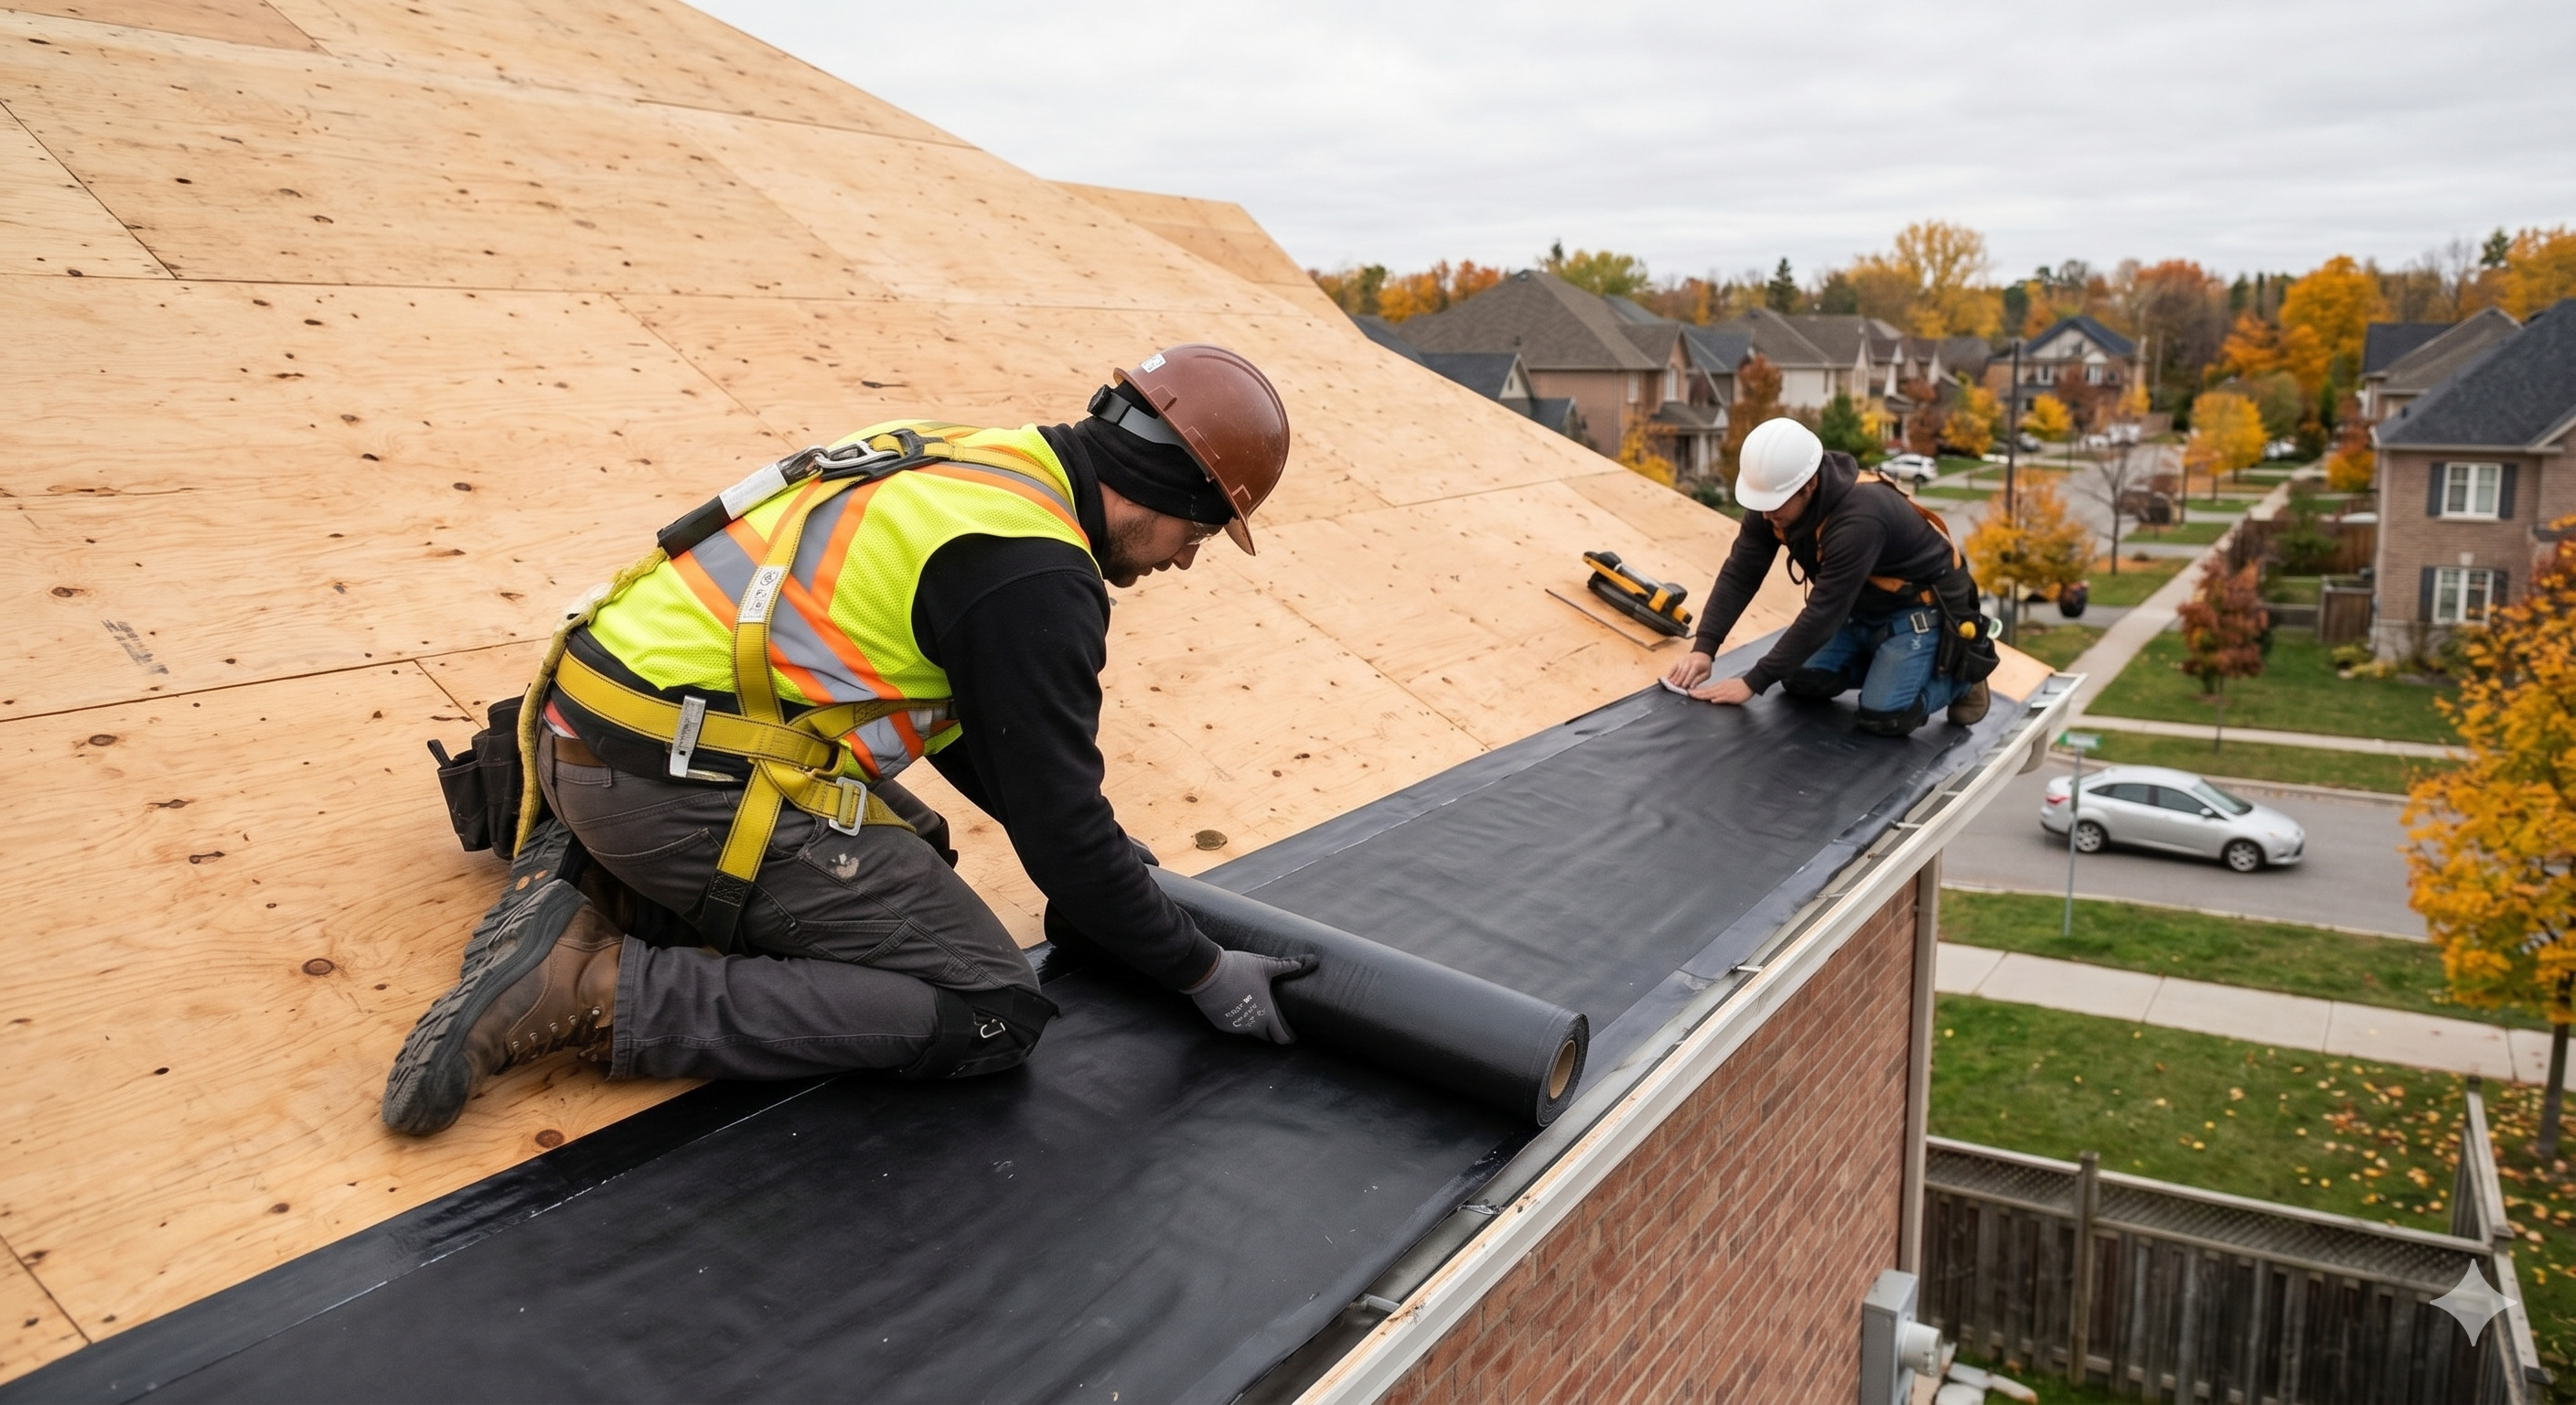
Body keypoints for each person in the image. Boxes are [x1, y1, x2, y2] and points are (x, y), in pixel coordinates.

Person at [382, 345, 1313, 1135]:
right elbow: (1060, 830)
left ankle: (586, 879)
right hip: (667, 780)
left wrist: (1103, 872)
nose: (1185, 560)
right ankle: (585, 990)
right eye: (1197, 531)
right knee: (987, 1011)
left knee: (923, 850)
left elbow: (979, 729)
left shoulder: (984, 462)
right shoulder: (1034, 575)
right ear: (1160, 488)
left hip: (595, 724)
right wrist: (1198, 968)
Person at [1663, 417, 1994, 735]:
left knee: (1885, 717)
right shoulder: (1772, 500)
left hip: (1918, 609)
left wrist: (1752, 682)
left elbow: (1824, 612)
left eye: (1774, 504)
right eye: (1760, 503)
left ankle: (1961, 676)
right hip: (1861, 605)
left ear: (1809, 484)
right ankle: (1887, 665)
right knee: (1798, 679)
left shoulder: (1859, 519)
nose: (1766, 514)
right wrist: (1705, 648)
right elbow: (1740, 573)